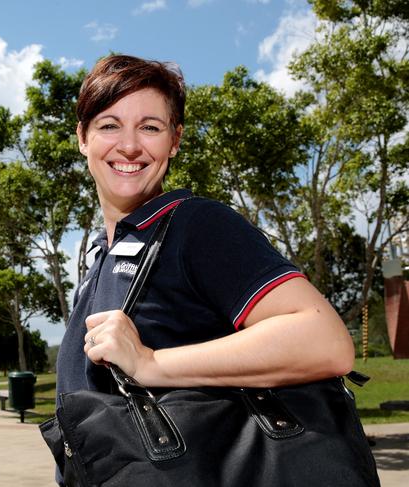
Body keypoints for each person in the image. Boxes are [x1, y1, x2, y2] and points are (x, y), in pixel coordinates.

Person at [54, 54, 355, 478]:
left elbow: (323, 340)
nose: (129, 145)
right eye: (109, 125)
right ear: (82, 137)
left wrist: (150, 363)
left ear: (174, 140)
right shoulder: (106, 256)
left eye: (150, 127)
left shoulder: (195, 227)